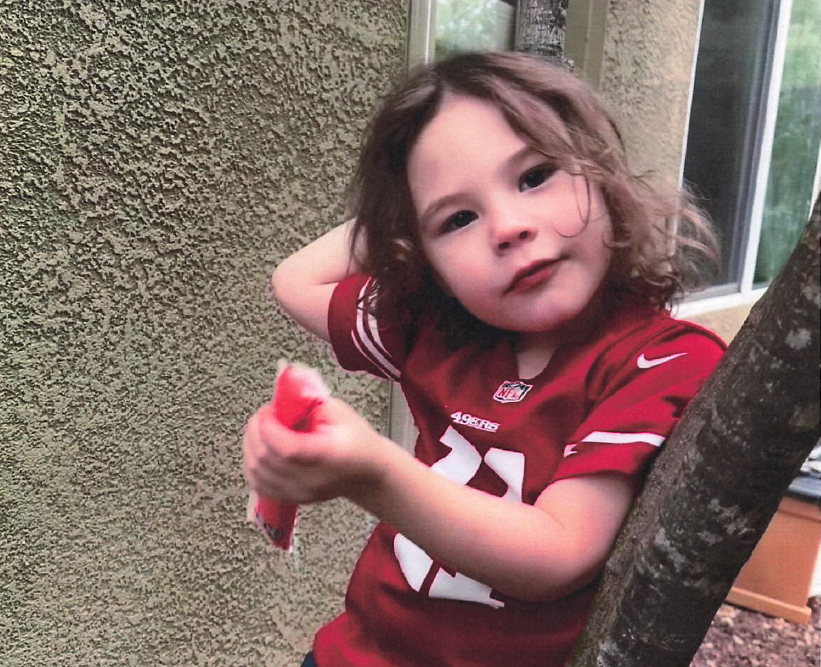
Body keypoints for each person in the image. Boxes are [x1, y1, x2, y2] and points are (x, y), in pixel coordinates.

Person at [243, 51, 727, 667]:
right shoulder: (438, 331)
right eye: (459, 219)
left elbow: (559, 554)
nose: (507, 227)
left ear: (603, 175)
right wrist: (402, 221)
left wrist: (374, 475)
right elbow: (294, 282)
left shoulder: (659, 359)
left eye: (535, 176)